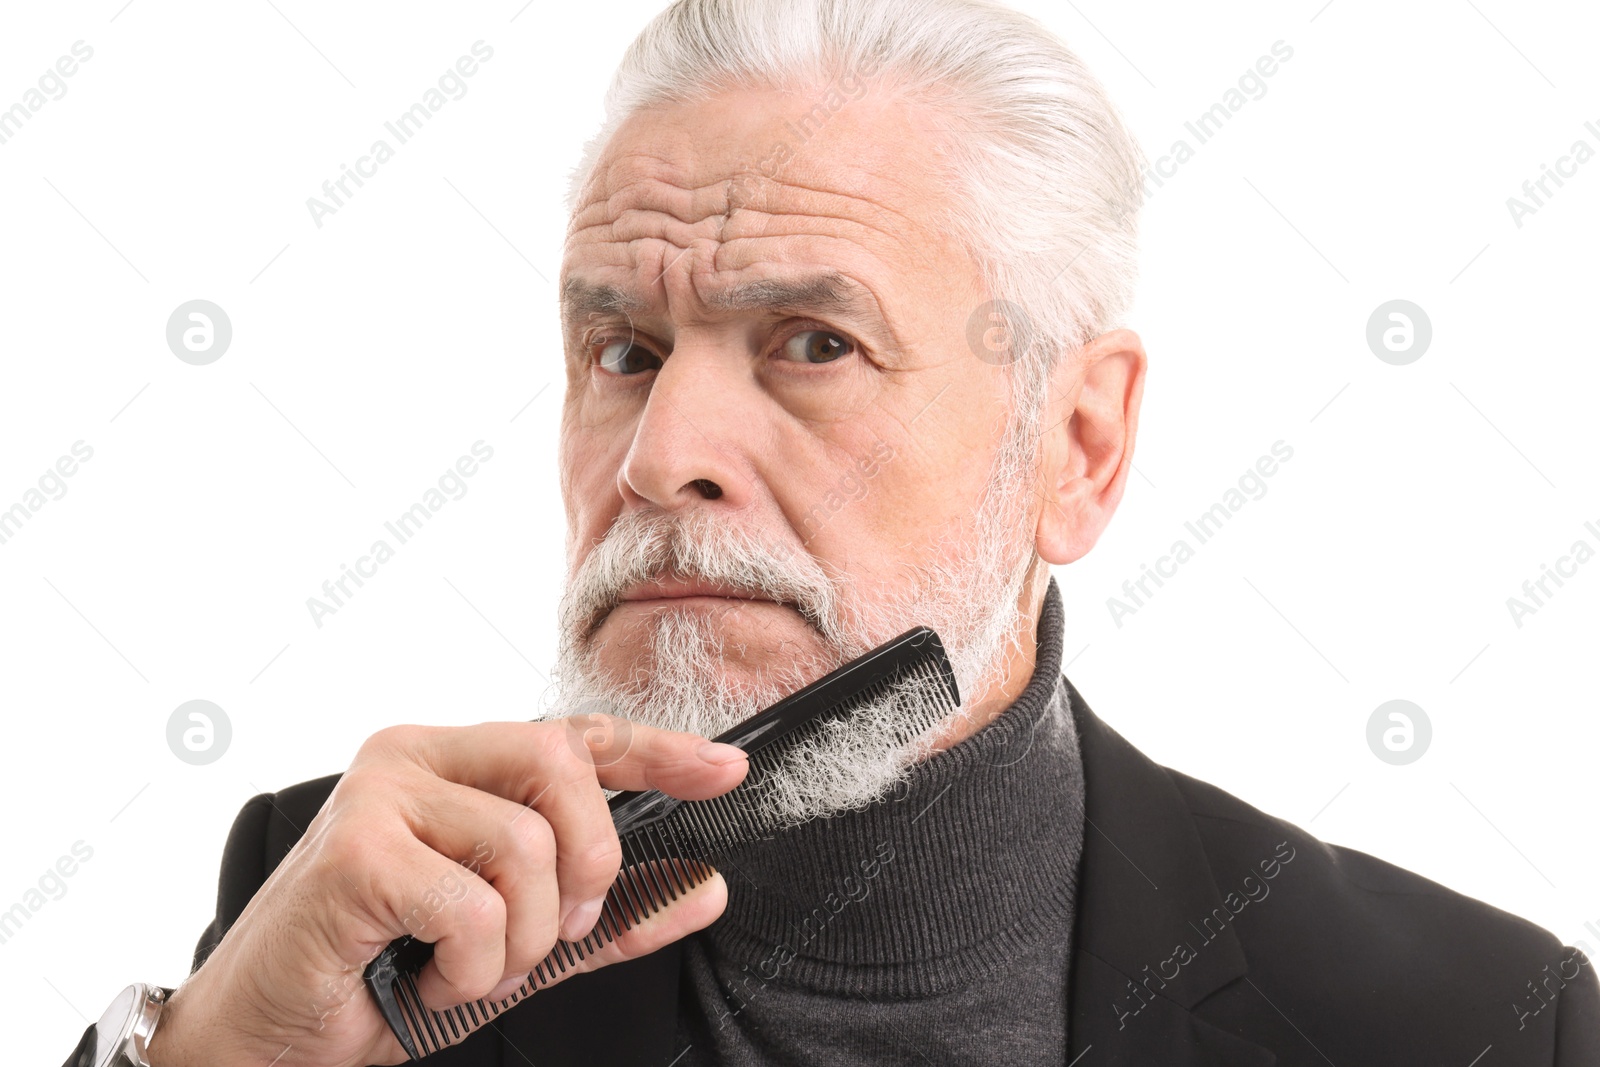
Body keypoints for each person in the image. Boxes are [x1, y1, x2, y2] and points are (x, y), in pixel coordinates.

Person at [64, 0, 1598, 1064]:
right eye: (624, 354)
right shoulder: (349, 928)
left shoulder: (1475, 1022)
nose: (663, 458)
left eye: (811, 344)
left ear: (1078, 446)